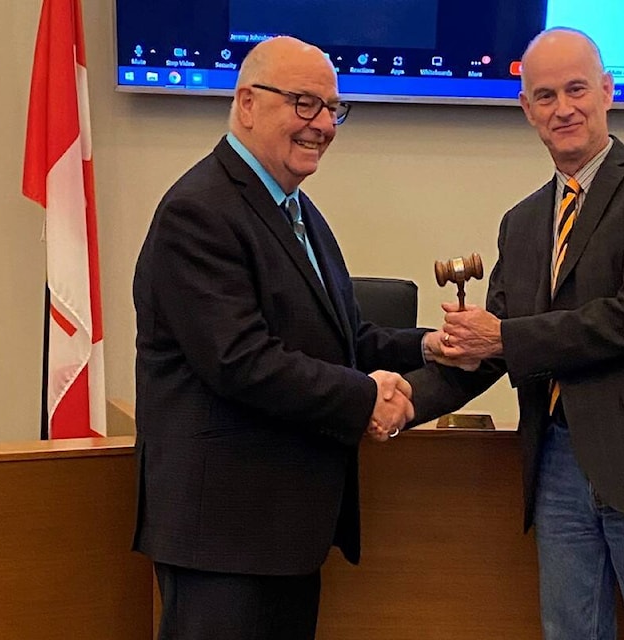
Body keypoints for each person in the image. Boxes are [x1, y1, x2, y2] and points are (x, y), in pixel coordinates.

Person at [406, 28, 624, 640]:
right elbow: (490, 348)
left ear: (608, 91)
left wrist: (502, 338)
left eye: (577, 89)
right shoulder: (523, 221)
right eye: (546, 95)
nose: (564, 108)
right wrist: (398, 401)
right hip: (555, 461)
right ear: (527, 109)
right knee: (568, 632)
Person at [132, 36, 437, 639]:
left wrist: (430, 347)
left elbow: (341, 337)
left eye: (332, 108)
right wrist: (363, 398)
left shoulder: (296, 210)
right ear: (247, 102)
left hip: (280, 533)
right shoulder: (199, 211)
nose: (323, 125)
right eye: (304, 103)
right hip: (222, 538)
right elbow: (240, 359)